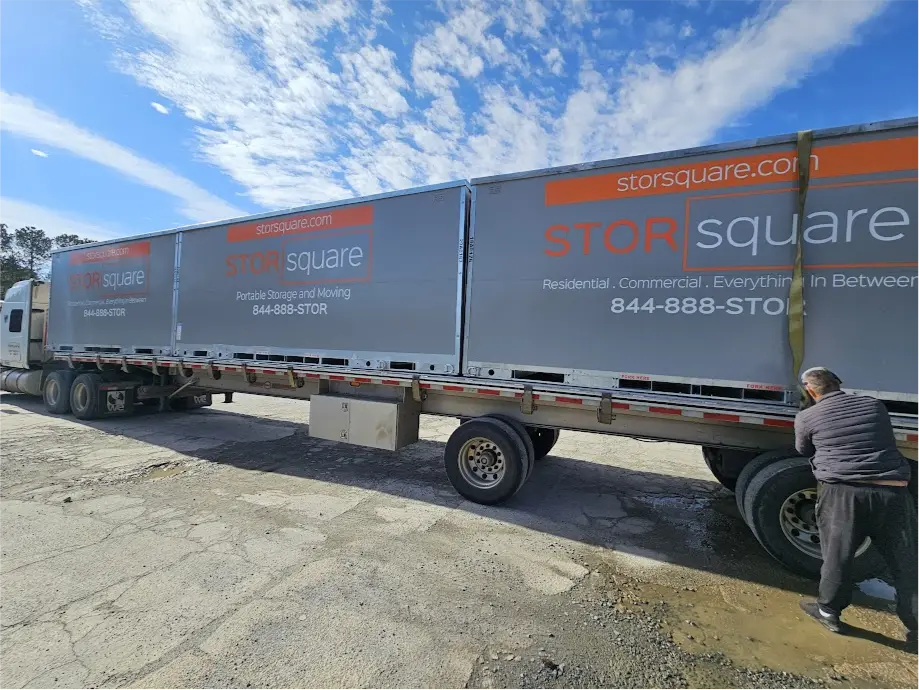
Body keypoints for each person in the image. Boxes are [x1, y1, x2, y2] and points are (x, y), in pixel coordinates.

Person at [793, 366, 918, 646]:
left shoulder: (807, 417)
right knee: (905, 559)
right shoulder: (874, 406)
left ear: (810, 391)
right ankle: (917, 624)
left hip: (843, 493)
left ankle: (828, 612)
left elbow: (804, 450)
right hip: (893, 490)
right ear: (839, 384)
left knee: (839, 555)